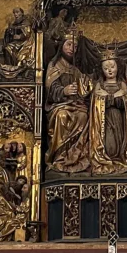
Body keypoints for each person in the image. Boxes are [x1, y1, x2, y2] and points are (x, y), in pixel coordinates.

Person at [45, 32, 92, 173]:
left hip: (74, 105)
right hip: (58, 105)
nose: (72, 49)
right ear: (61, 46)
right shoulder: (54, 66)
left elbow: (84, 88)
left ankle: (75, 156)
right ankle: (59, 156)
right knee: (62, 116)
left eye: (75, 46)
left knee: (83, 116)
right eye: (69, 44)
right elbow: (50, 89)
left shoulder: (75, 70)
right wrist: (63, 91)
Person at [88, 54, 127, 174]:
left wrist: (111, 98)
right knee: (109, 141)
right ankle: (108, 157)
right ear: (101, 70)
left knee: (118, 140)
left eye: (112, 67)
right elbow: (96, 102)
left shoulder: (122, 84)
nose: (109, 70)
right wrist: (114, 97)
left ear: (118, 67)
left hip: (119, 118)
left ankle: (118, 157)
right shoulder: (99, 85)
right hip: (104, 119)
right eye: (106, 68)